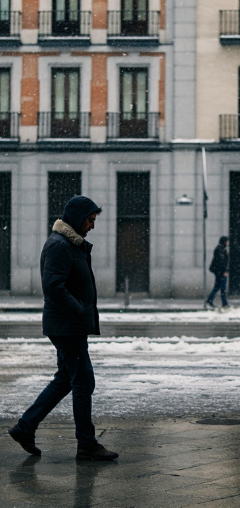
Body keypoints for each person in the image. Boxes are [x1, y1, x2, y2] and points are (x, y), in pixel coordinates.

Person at [7, 196, 118, 460]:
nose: (92, 225)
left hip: (69, 325)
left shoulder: (71, 244)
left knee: (66, 379)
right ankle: (86, 444)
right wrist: (78, 310)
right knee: (83, 381)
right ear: (78, 218)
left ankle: (25, 427)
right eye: (90, 220)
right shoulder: (60, 245)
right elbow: (53, 286)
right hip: (67, 326)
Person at [206, 236, 229, 308]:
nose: (228, 243)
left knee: (218, 287)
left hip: (219, 271)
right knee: (221, 287)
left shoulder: (221, 249)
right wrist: (224, 270)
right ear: (224, 241)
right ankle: (224, 303)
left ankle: (209, 301)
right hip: (220, 272)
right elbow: (221, 261)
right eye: (227, 241)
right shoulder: (220, 249)